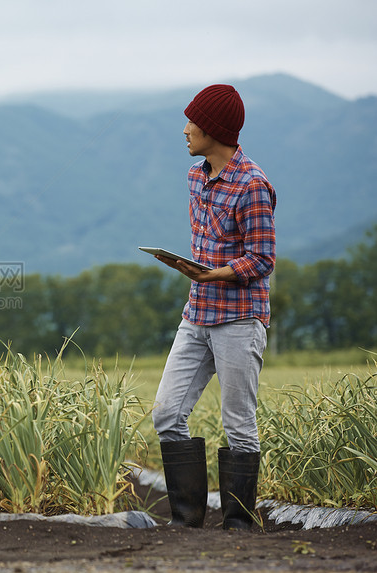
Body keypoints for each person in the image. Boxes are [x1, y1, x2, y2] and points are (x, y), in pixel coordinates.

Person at [151, 84, 277, 531]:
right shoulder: (195, 178)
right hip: (197, 313)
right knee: (167, 414)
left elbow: (263, 259)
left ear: (214, 130)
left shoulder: (252, 185)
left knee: (238, 422)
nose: (184, 130)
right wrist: (193, 270)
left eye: (191, 122)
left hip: (239, 318)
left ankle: (239, 526)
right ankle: (187, 520)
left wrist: (216, 273)